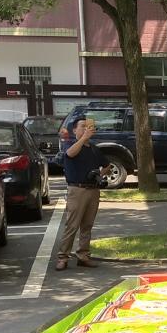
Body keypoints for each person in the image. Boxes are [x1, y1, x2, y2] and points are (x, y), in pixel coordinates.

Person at [54, 116, 107, 271]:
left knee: (87, 225)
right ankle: (63, 257)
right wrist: (83, 138)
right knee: (72, 225)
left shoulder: (94, 149)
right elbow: (70, 154)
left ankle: (83, 256)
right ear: (74, 130)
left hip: (93, 190)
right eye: (82, 126)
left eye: (88, 126)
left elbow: (107, 165)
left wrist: (99, 174)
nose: (86, 129)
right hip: (77, 190)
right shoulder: (70, 144)